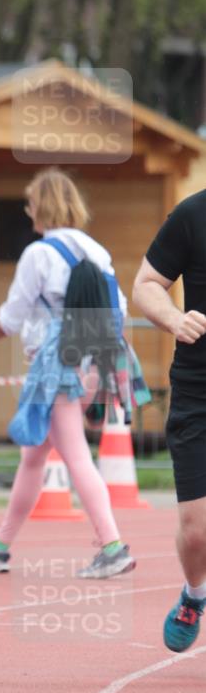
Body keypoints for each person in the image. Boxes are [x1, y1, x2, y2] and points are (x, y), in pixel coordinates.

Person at [0, 168, 135, 579]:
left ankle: (112, 545)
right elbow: (120, 311)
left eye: (30, 203)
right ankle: (0, 546)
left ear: (40, 207)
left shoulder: (39, 255)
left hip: (57, 367)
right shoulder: (96, 250)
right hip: (96, 361)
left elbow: (12, 318)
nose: (27, 210)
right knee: (34, 456)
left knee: (73, 455)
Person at [133, 189, 206, 652]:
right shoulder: (193, 213)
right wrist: (175, 320)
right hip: (198, 386)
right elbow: (145, 284)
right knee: (197, 529)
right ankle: (194, 595)